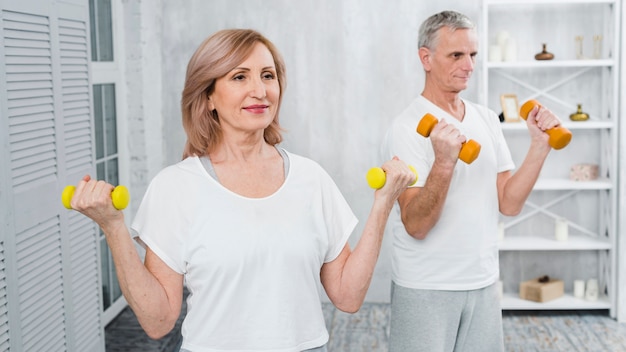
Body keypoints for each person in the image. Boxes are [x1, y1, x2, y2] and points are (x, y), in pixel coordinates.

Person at [69, 29, 415, 351]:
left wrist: (384, 203)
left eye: (268, 75)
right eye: (239, 77)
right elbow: (159, 321)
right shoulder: (175, 187)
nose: (260, 90)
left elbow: (348, 297)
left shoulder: (311, 179)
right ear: (208, 98)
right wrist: (113, 227)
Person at [382, 11, 563, 351]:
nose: (469, 65)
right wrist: (444, 162)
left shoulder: (485, 119)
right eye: (456, 55)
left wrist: (540, 146)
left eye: (473, 55)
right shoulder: (406, 129)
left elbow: (508, 203)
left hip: (482, 282)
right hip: (426, 286)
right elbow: (416, 225)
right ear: (426, 58)